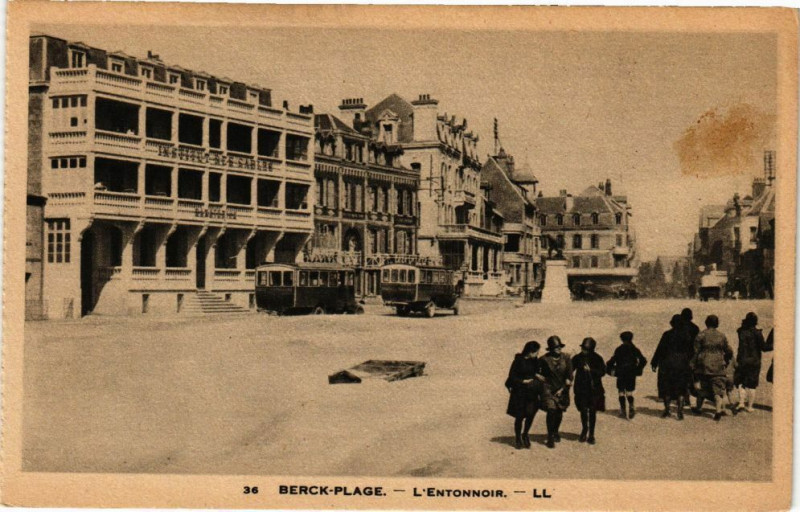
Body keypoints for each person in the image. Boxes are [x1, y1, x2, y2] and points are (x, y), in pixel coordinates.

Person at [691, 315, 734, 421]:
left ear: (706, 323)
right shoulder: (721, 336)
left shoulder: (701, 335)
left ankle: (699, 408)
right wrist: (726, 359)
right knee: (718, 390)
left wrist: (693, 364)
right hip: (718, 366)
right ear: (717, 323)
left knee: (702, 389)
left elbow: (695, 351)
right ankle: (718, 411)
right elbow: (729, 350)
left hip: (703, 366)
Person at [651, 314, 693, 420]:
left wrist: (654, 363)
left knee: (666, 388)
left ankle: (667, 409)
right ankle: (679, 411)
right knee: (681, 388)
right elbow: (691, 352)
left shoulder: (666, 334)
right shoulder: (686, 335)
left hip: (667, 364)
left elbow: (660, 349)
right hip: (682, 365)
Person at [505, 341, 543, 449]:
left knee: (531, 414)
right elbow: (512, 376)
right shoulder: (518, 361)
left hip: (531, 392)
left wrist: (537, 375)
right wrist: (523, 381)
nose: (537, 354)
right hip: (520, 393)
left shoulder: (534, 360)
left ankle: (525, 434)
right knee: (520, 416)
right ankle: (518, 438)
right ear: (530, 352)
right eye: (536, 352)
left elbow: (535, 371)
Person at [538, 336, 573, 449]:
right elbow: (535, 370)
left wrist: (563, 388)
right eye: (555, 347)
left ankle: (556, 431)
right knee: (551, 410)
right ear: (550, 348)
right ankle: (550, 436)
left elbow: (569, 376)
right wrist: (538, 376)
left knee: (559, 412)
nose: (558, 349)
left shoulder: (566, 358)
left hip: (562, 388)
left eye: (559, 346)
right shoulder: (544, 359)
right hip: (548, 388)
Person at [734, 313, 772, 412]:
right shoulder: (757, 333)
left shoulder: (741, 331)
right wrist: (774, 344)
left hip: (742, 359)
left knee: (741, 382)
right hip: (754, 361)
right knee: (752, 384)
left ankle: (741, 402)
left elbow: (740, 328)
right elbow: (764, 347)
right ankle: (750, 406)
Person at [572, 337, 606, 444]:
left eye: (586, 349)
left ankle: (591, 434)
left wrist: (591, 370)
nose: (583, 351)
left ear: (591, 349)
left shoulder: (597, 358)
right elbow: (570, 369)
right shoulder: (577, 358)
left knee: (592, 411)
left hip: (594, 389)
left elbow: (603, 372)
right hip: (581, 389)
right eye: (583, 348)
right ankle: (584, 430)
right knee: (583, 410)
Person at [606, 331, 647, 419]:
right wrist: (638, 369)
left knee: (621, 392)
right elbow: (643, 361)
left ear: (621, 339)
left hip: (621, 372)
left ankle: (623, 410)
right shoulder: (635, 349)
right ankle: (631, 406)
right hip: (631, 373)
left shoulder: (619, 349)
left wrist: (610, 366)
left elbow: (612, 360)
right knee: (629, 392)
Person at [681, 308, 700, 407]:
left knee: (683, 378)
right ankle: (697, 399)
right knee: (693, 377)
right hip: (692, 355)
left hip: (681, 356)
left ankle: (686, 399)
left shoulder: (679, 328)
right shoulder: (695, 328)